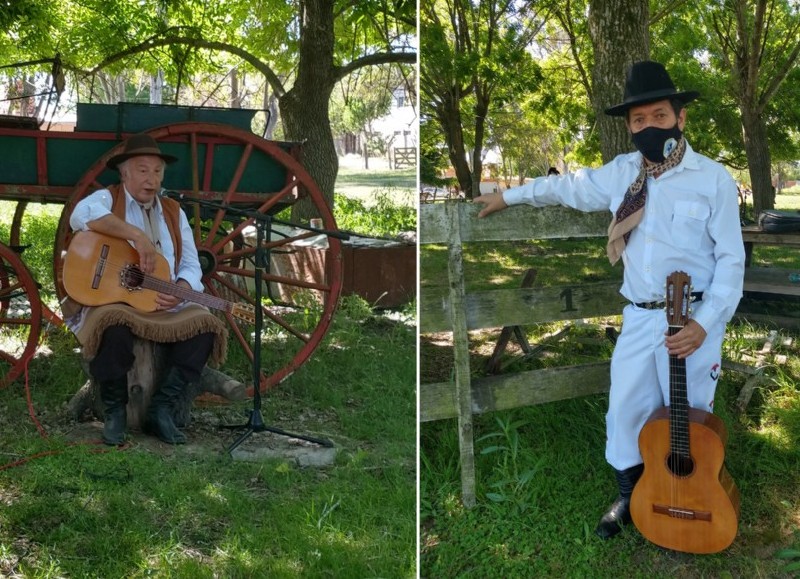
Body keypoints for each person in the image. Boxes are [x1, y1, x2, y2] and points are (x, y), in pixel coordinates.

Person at [474, 61, 745, 539]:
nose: (647, 127)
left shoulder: (714, 180)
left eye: (658, 116)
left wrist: (704, 323)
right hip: (641, 319)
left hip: (696, 320)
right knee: (625, 408)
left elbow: (731, 260)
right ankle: (630, 492)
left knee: (694, 415)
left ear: (680, 118)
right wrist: (511, 197)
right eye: (638, 120)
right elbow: (566, 186)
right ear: (629, 126)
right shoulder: (622, 174)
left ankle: (694, 492)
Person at [66, 134, 227, 446]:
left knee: (206, 328)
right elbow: (79, 215)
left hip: (163, 299)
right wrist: (136, 236)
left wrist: (181, 288)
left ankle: (161, 410)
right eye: (142, 170)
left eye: (157, 172)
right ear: (124, 174)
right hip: (119, 301)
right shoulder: (107, 199)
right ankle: (115, 412)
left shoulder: (172, 211)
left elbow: (192, 263)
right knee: (112, 329)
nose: (151, 179)